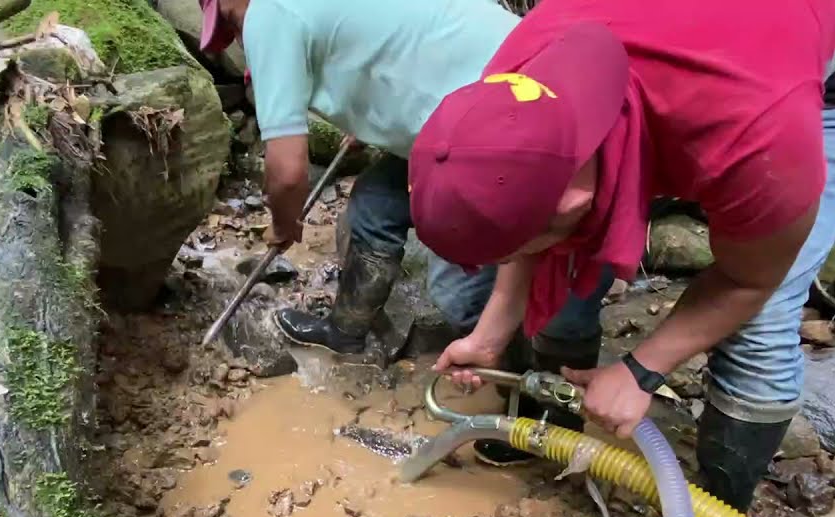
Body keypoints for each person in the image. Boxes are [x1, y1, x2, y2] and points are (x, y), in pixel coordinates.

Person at [407, 0, 835, 517]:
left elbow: (749, 281)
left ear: (575, 197)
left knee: (764, 319)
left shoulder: (756, 133)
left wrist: (641, 369)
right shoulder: (515, 86)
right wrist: (490, 333)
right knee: (566, 252)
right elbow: (528, 215)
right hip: (701, 56)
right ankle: (543, 431)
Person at [197, 0, 612, 448]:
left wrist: (283, 223)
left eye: (229, 24)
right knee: (376, 203)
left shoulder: (269, 11)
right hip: (466, 113)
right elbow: (392, 43)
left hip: (529, 119)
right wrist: (370, 117)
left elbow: (288, 171)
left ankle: (542, 425)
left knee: (475, 295)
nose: (239, 36)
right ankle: (347, 330)